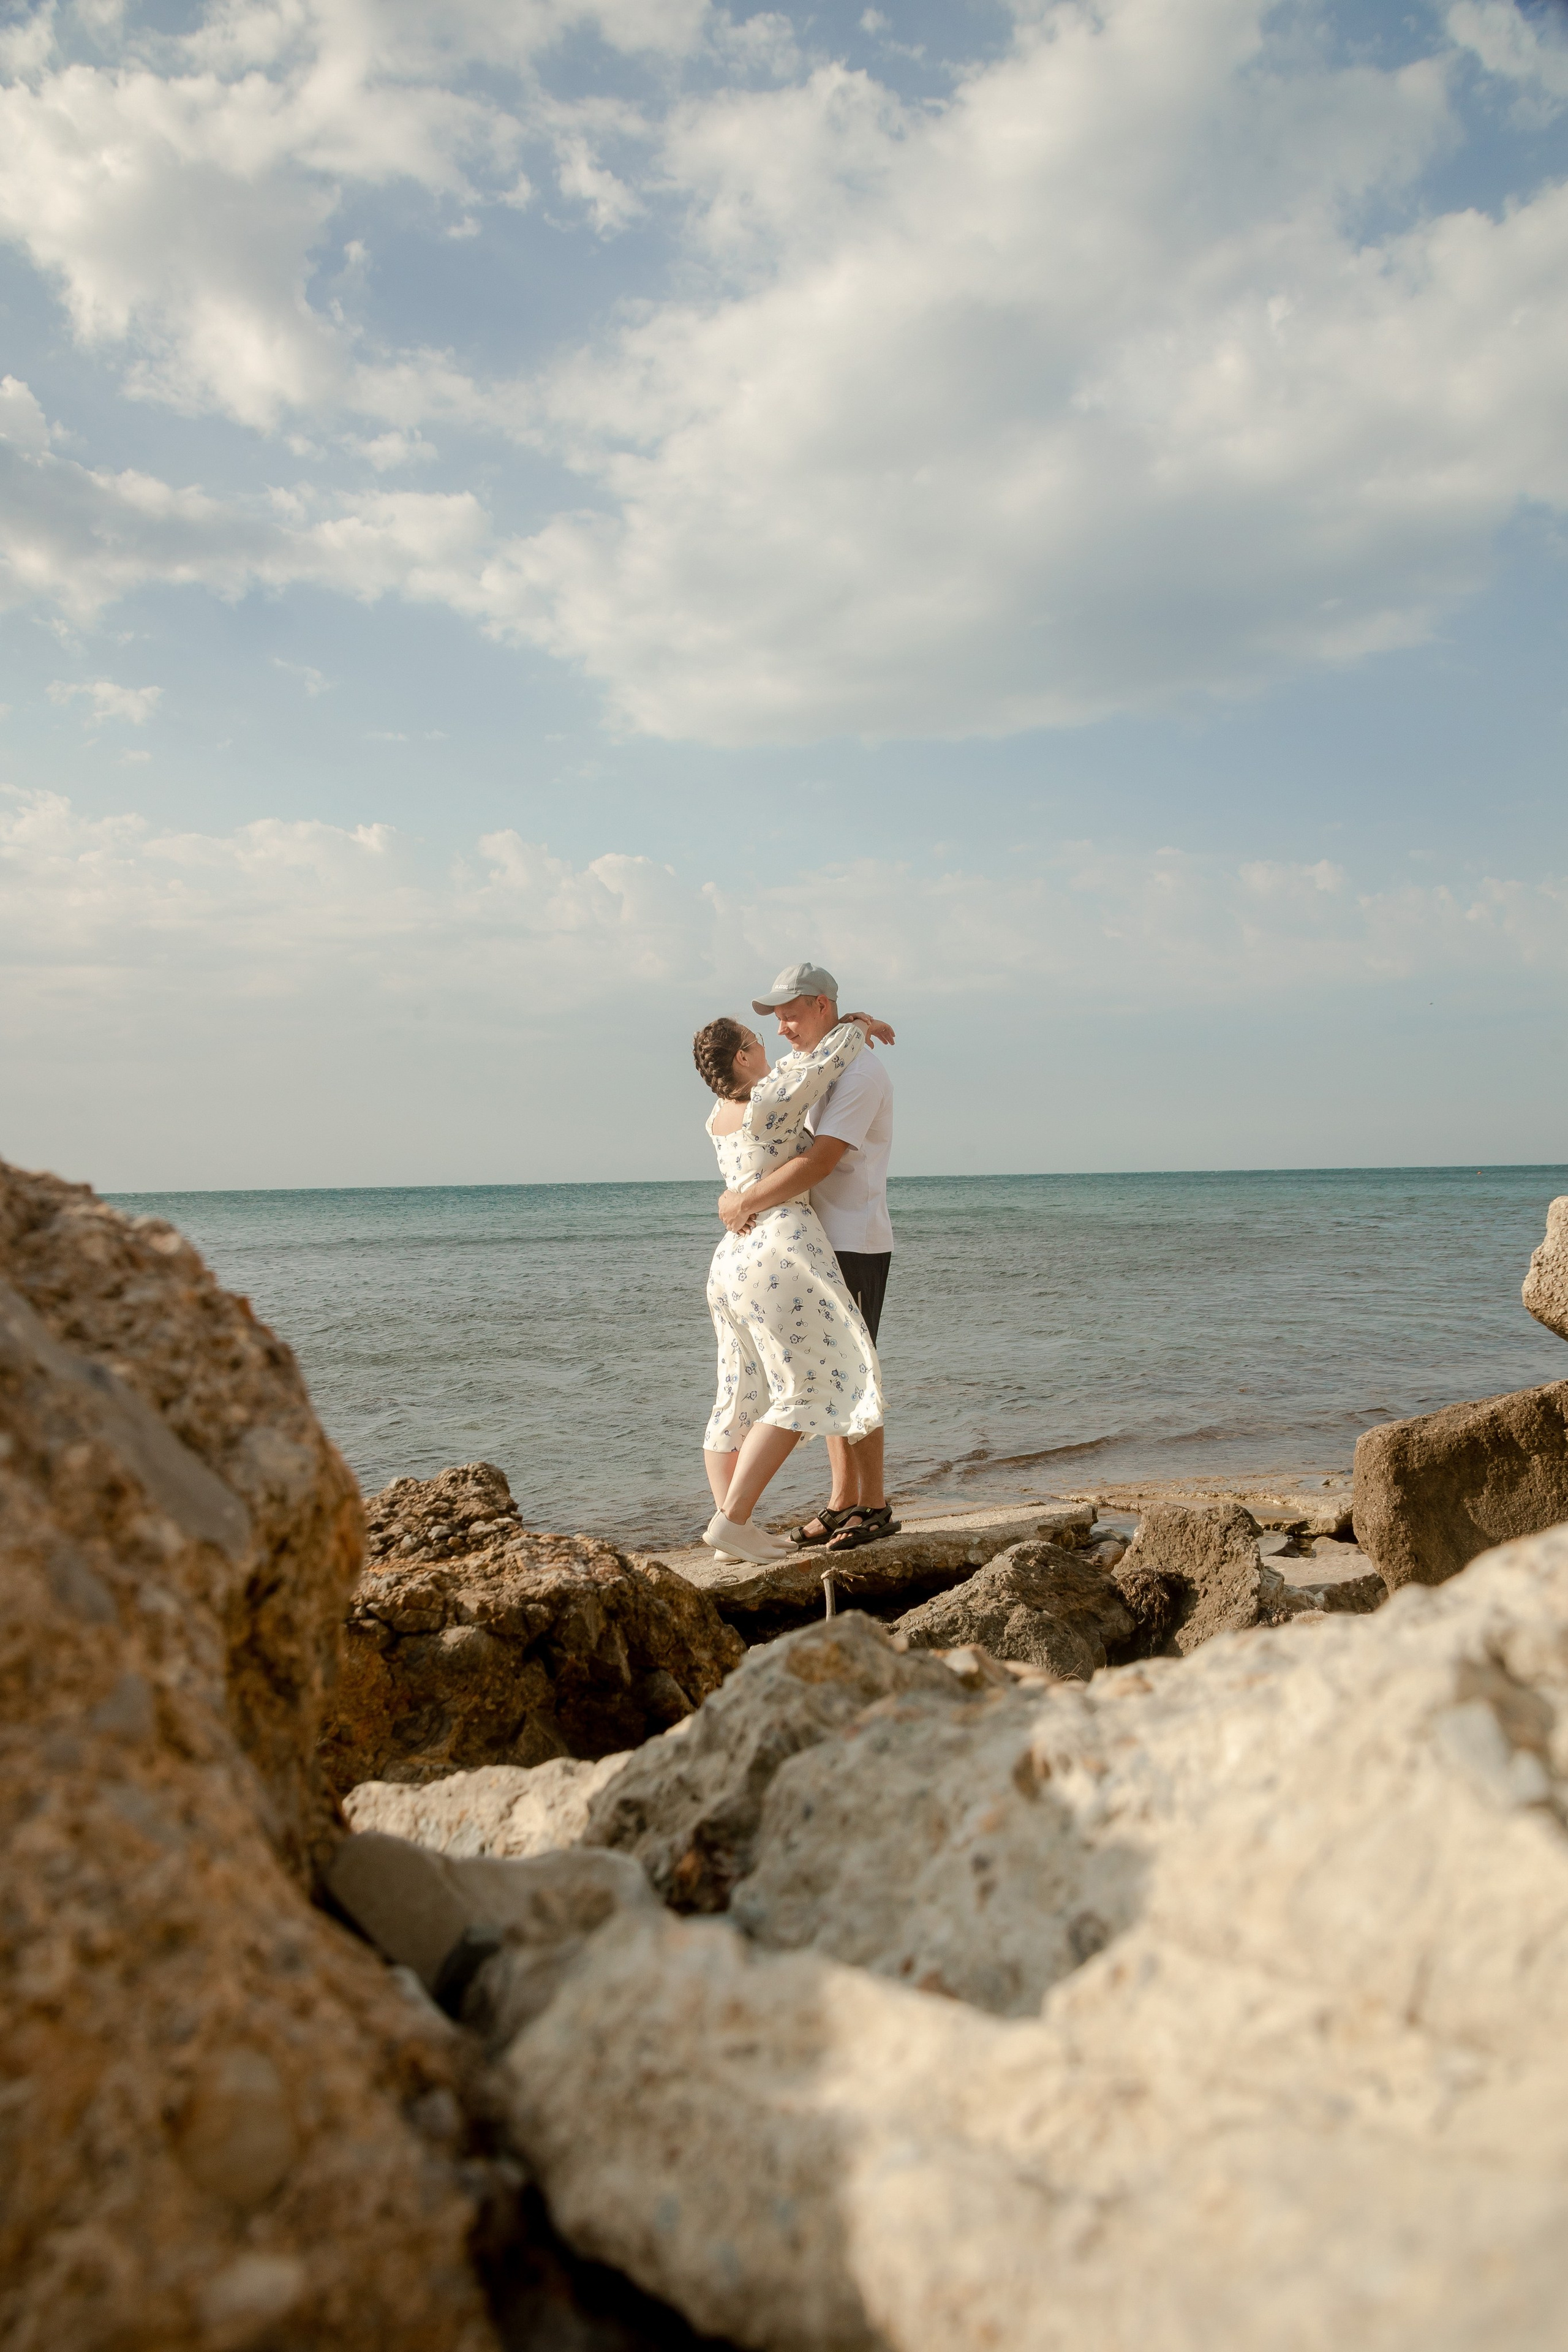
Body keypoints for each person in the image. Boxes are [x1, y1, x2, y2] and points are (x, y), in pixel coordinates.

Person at [692, 1005, 894, 1568]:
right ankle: (731, 1523)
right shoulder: (767, 1102)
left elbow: (793, 1067)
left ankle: (736, 1534)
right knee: (807, 1386)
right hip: (777, 1250)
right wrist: (855, 1028)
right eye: (757, 1041)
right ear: (741, 1057)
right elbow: (816, 1068)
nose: (769, 1046)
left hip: (729, 1263)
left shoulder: (719, 1115)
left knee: (735, 1396)